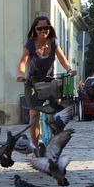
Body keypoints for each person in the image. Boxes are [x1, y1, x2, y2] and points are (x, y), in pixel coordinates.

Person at [17, 15, 77, 148]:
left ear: (49, 29)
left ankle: (55, 130)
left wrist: (69, 69)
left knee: (58, 106)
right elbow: (23, 61)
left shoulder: (53, 42)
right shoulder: (31, 44)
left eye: (46, 28)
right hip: (33, 83)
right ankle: (35, 147)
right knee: (34, 114)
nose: (43, 32)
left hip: (48, 81)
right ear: (35, 29)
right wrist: (21, 74)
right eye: (40, 29)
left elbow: (62, 58)